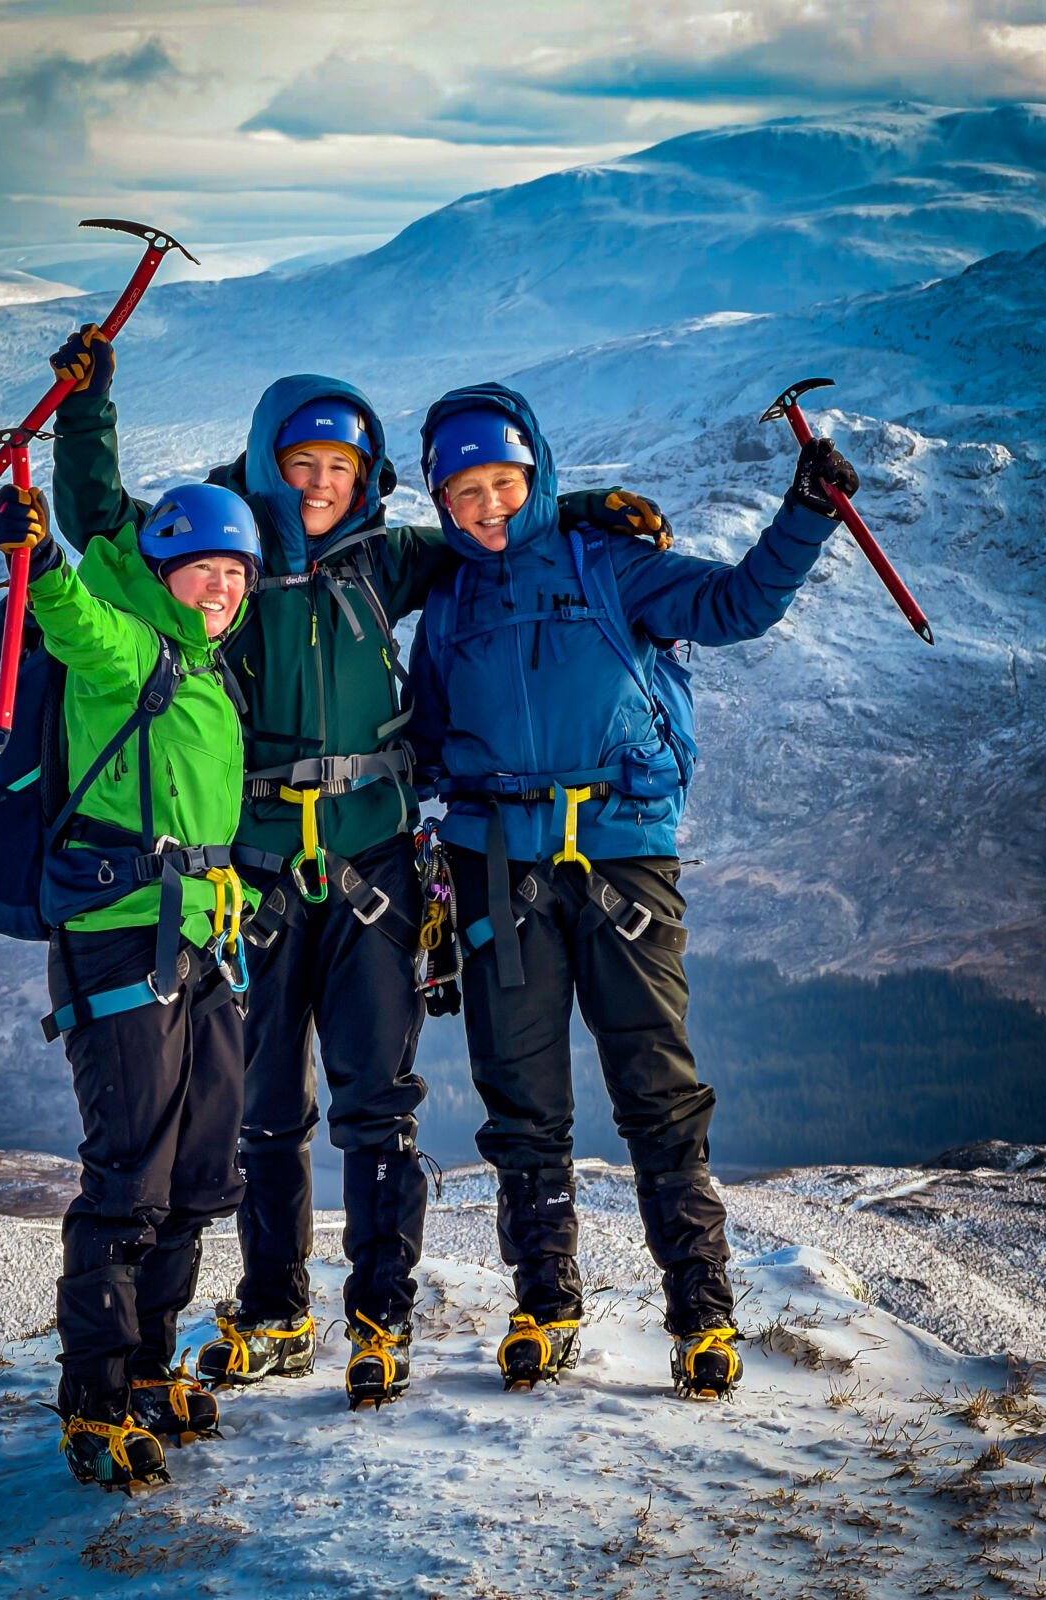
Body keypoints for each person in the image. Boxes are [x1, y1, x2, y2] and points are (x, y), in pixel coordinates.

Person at [47, 326, 661, 1408]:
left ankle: (382, 1314)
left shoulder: (387, 556)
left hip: (373, 868)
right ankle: (278, 1307)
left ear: (367, 477)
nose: (324, 484)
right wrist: (87, 412)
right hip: (255, 877)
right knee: (266, 1109)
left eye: (342, 467)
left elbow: (501, 526)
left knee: (378, 1101)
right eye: (303, 464)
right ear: (266, 465)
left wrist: (597, 504)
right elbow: (99, 526)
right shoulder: (221, 554)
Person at [405, 382, 860, 1398]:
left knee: (657, 1092)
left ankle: (702, 1316)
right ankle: (546, 1306)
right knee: (521, 1103)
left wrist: (807, 516)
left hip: (622, 867)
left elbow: (736, 602)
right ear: (439, 499)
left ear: (539, 477)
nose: (489, 507)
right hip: (495, 875)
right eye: (465, 491)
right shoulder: (448, 604)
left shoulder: (610, 564)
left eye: (506, 483)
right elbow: (426, 742)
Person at [0, 474, 262, 1484]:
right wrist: (37, 557)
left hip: (202, 943)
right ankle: (94, 1403)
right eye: (205, 569)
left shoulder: (206, 671)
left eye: (237, 572)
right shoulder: (129, 648)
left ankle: (147, 1368)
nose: (222, 587)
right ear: (162, 571)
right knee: (129, 1177)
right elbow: (68, 613)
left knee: (197, 1171)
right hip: (119, 940)